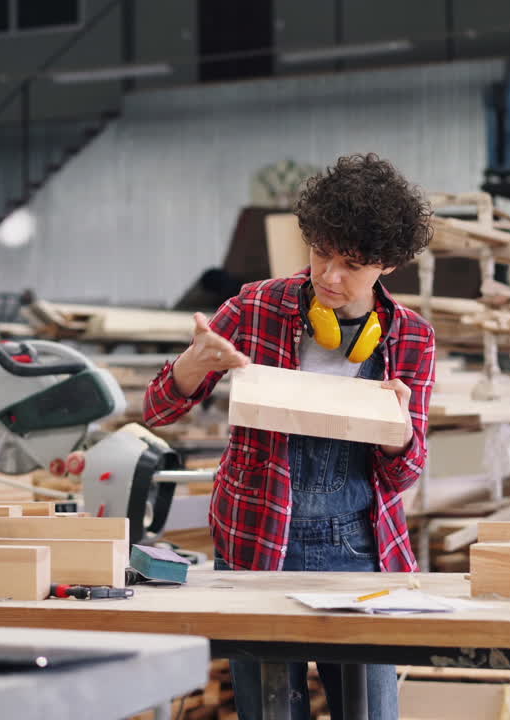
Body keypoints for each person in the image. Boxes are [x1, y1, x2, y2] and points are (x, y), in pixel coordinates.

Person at [144, 153, 436, 720]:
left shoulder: (412, 339)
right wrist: (191, 366)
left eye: (352, 264)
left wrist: (398, 434)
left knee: (370, 711)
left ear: (389, 265)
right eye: (322, 252)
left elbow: (404, 475)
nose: (329, 276)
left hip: (359, 551)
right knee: (272, 710)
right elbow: (157, 409)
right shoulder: (254, 307)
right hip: (257, 543)